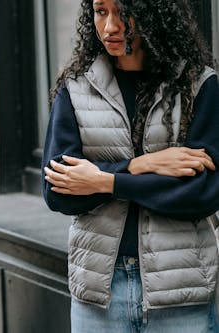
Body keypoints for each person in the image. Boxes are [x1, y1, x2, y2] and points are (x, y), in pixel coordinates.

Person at [42, 0, 219, 332]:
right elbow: (58, 191)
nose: (110, 27)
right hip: (100, 292)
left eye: (124, 12)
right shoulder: (76, 88)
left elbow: (203, 192)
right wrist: (140, 166)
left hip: (180, 290)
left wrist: (106, 182)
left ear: (155, 12)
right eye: (100, 11)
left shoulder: (197, 85)